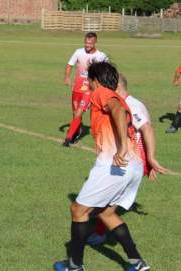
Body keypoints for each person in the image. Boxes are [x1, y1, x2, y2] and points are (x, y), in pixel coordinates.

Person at [54, 62, 150, 271]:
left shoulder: (102, 93)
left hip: (114, 165)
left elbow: (115, 109)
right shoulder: (119, 98)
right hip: (133, 166)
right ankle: (137, 262)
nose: (87, 83)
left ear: (96, 80)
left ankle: (74, 265)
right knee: (107, 213)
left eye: (89, 79)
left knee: (78, 210)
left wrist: (122, 147)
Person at [87, 74, 167, 246]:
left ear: (116, 87)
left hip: (130, 159)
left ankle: (103, 235)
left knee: (107, 198)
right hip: (126, 157)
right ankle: (100, 224)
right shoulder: (121, 103)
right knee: (107, 197)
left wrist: (150, 159)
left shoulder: (132, 105)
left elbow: (147, 129)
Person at [62, 32, 108, 147]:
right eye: (86, 43)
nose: (87, 45)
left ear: (95, 43)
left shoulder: (101, 56)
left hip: (89, 90)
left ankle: (68, 138)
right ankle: (76, 131)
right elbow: (69, 65)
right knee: (75, 114)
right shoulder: (78, 52)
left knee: (78, 112)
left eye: (90, 43)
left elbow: (108, 71)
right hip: (77, 88)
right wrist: (67, 77)